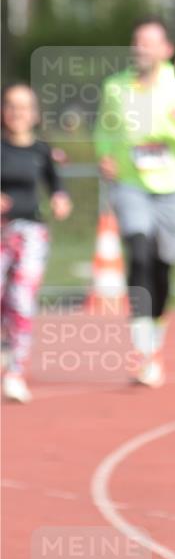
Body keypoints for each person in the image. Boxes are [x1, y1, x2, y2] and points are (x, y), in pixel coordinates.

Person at [94, 17, 175, 387]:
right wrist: (105, 155)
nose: (141, 49)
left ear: (166, 49)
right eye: (137, 42)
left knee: (162, 266)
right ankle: (141, 348)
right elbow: (104, 130)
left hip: (174, 189)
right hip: (130, 185)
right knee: (138, 254)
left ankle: (155, 341)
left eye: (149, 43)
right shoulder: (116, 87)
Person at [1, 84, 72, 403]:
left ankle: (16, 371)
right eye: (11, 106)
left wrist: (60, 199)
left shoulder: (42, 150)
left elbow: (56, 185)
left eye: (24, 107)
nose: (17, 113)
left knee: (21, 299)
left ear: (34, 113)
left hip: (30, 234)